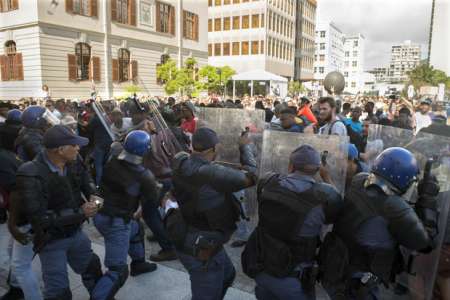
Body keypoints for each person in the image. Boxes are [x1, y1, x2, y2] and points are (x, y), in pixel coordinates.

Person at [320, 147, 441, 299]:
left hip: (336, 266)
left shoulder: (360, 180)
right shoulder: (395, 207)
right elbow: (425, 243)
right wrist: (428, 199)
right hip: (360, 282)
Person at [242, 145, 343, 300]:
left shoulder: (267, 182)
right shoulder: (325, 198)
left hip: (261, 269)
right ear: (317, 170)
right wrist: (327, 177)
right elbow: (337, 212)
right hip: (293, 282)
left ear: (290, 166)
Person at [16, 125, 103, 299]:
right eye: (74, 145)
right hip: (51, 241)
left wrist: (95, 199)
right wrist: (81, 213)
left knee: (92, 268)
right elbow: (39, 219)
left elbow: (88, 183)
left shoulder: (74, 161)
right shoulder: (29, 173)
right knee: (58, 292)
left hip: (76, 234)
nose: (78, 148)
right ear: (60, 150)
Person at [169, 128, 257, 300]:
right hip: (201, 245)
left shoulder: (181, 162)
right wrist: (244, 148)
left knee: (227, 275)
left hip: (191, 233)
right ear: (213, 149)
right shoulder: (212, 173)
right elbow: (252, 176)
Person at [91, 130, 158, 300]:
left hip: (101, 215)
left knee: (136, 230)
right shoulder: (144, 175)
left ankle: (139, 264)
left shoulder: (112, 161)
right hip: (116, 222)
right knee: (118, 270)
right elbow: (151, 200)